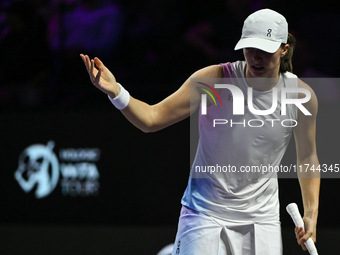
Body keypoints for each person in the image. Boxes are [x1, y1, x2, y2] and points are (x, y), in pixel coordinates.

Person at [80, 8, 320, 255]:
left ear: (284, 49)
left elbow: (307, 157)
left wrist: (311, 214)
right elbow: (151, 119)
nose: (256, 57)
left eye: (265, 50)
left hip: (262, 221)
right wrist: (116, 92)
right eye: (250, 48)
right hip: (204, 214)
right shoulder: (215, 80)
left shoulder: (301, 97)